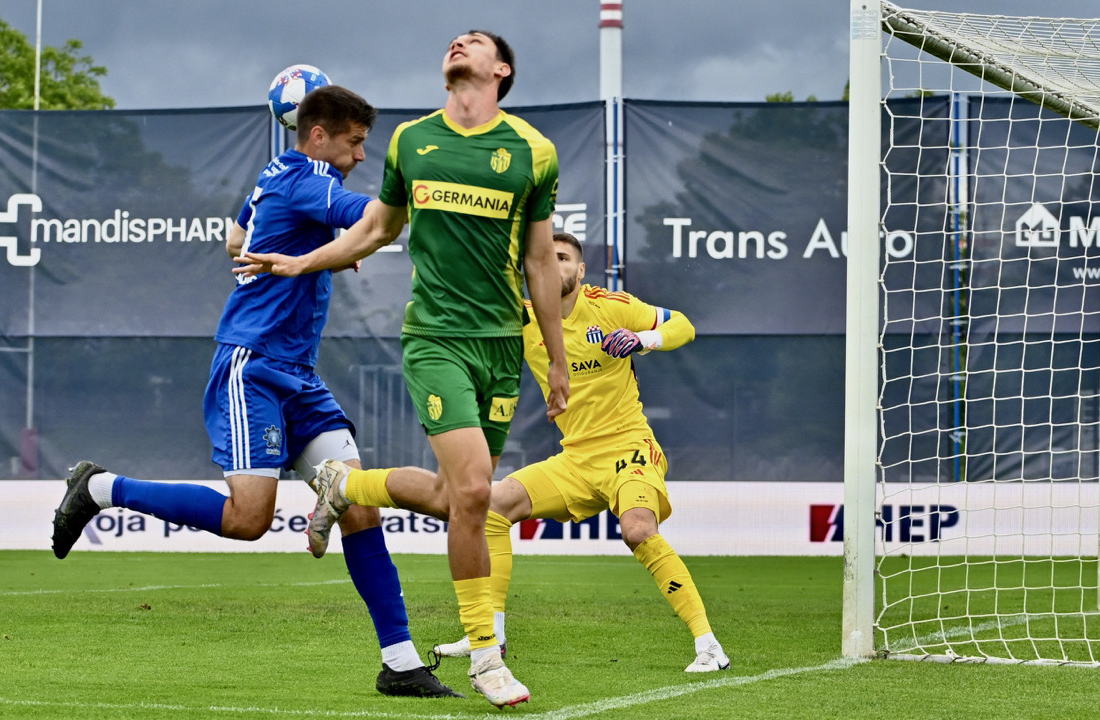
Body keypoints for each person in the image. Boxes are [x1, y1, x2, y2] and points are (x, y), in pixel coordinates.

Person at [50, 84, 461, 699]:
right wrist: (439, 195)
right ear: (317, 136)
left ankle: (400, 663)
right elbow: (376, 218)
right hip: (254, 365)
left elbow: (234, 241)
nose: (359, 156)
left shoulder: (276, 175)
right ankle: (101, 488)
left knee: (360, 506)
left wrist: (317, 250)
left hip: (298, 373)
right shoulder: (309, 179)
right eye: (354, 144)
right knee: (248, 520)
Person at [231, 30, 568, 708]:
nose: (460, 43)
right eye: (455, 40)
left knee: (457, 498)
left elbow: (539, 261)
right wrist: (302, 261)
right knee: (474, 491)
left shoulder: (535, 152)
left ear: (501, 70)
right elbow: (378, 227)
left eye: (476, 41)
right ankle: (486, 658)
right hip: (436, 339)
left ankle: (344, 484)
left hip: (502, 344)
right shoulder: (413, 142)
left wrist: (556, 360)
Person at [430, 233, 732, 673]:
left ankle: (709, 646)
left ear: (581, 269)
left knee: (637, 529)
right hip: (575, 459)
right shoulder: (522, 317)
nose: (554, 265)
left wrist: (643, 339)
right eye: (545, 258)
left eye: (564, 257)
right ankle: (490, 636)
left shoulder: (609, 305)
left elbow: (683, 325)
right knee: (491, 507)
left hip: (628, 446)